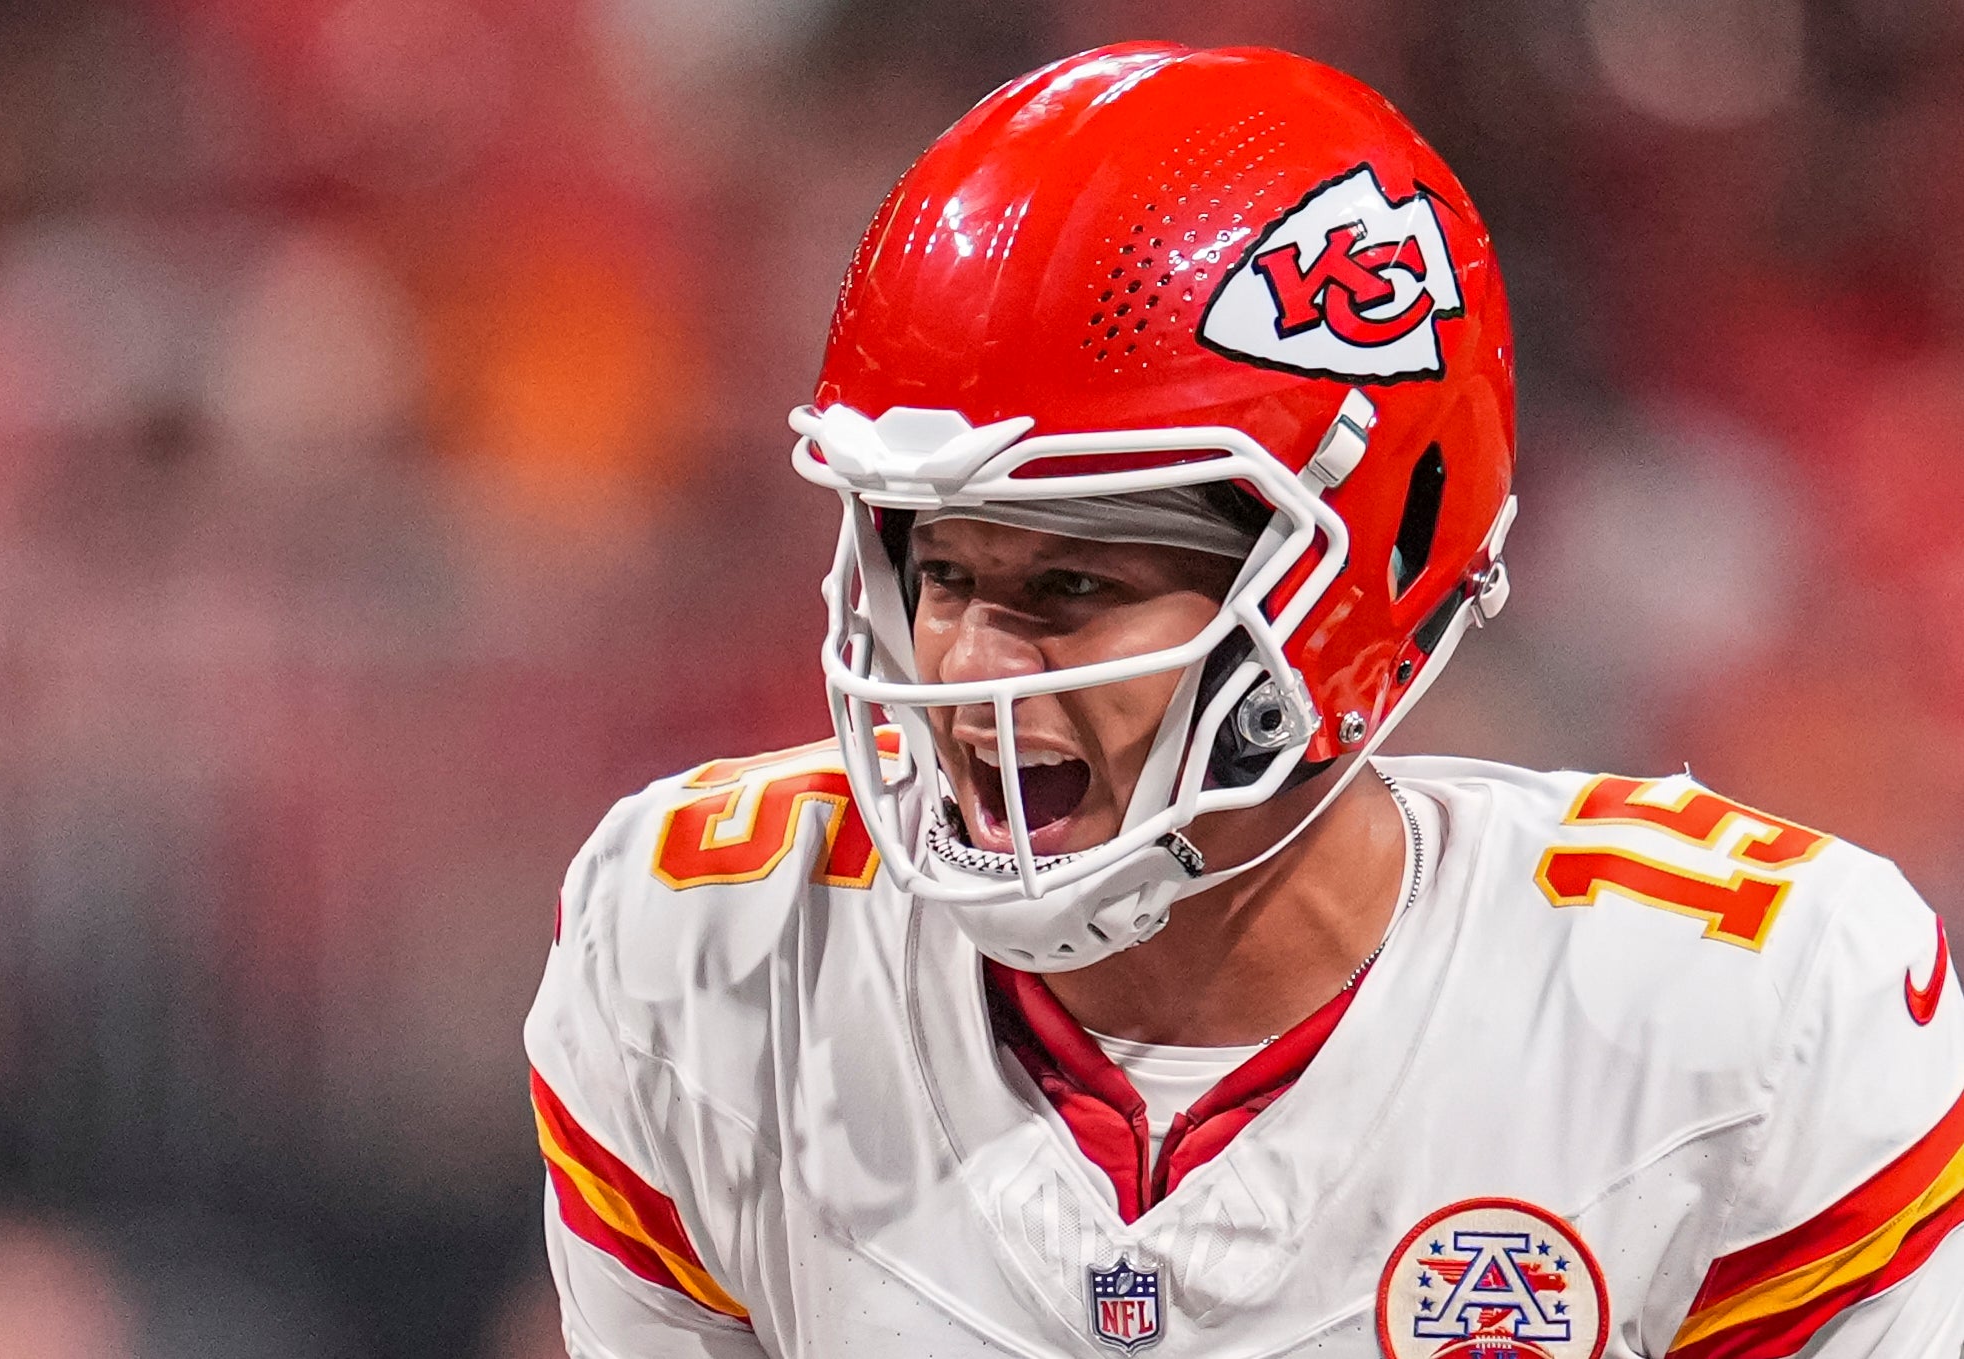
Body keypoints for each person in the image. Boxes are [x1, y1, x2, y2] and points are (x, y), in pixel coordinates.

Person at [524, 42, 1964, 1359]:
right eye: (944, 571)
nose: (963, 669)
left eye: (1071, 590)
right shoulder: (710, 950)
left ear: (1356, 583)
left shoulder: (1735, 1019)